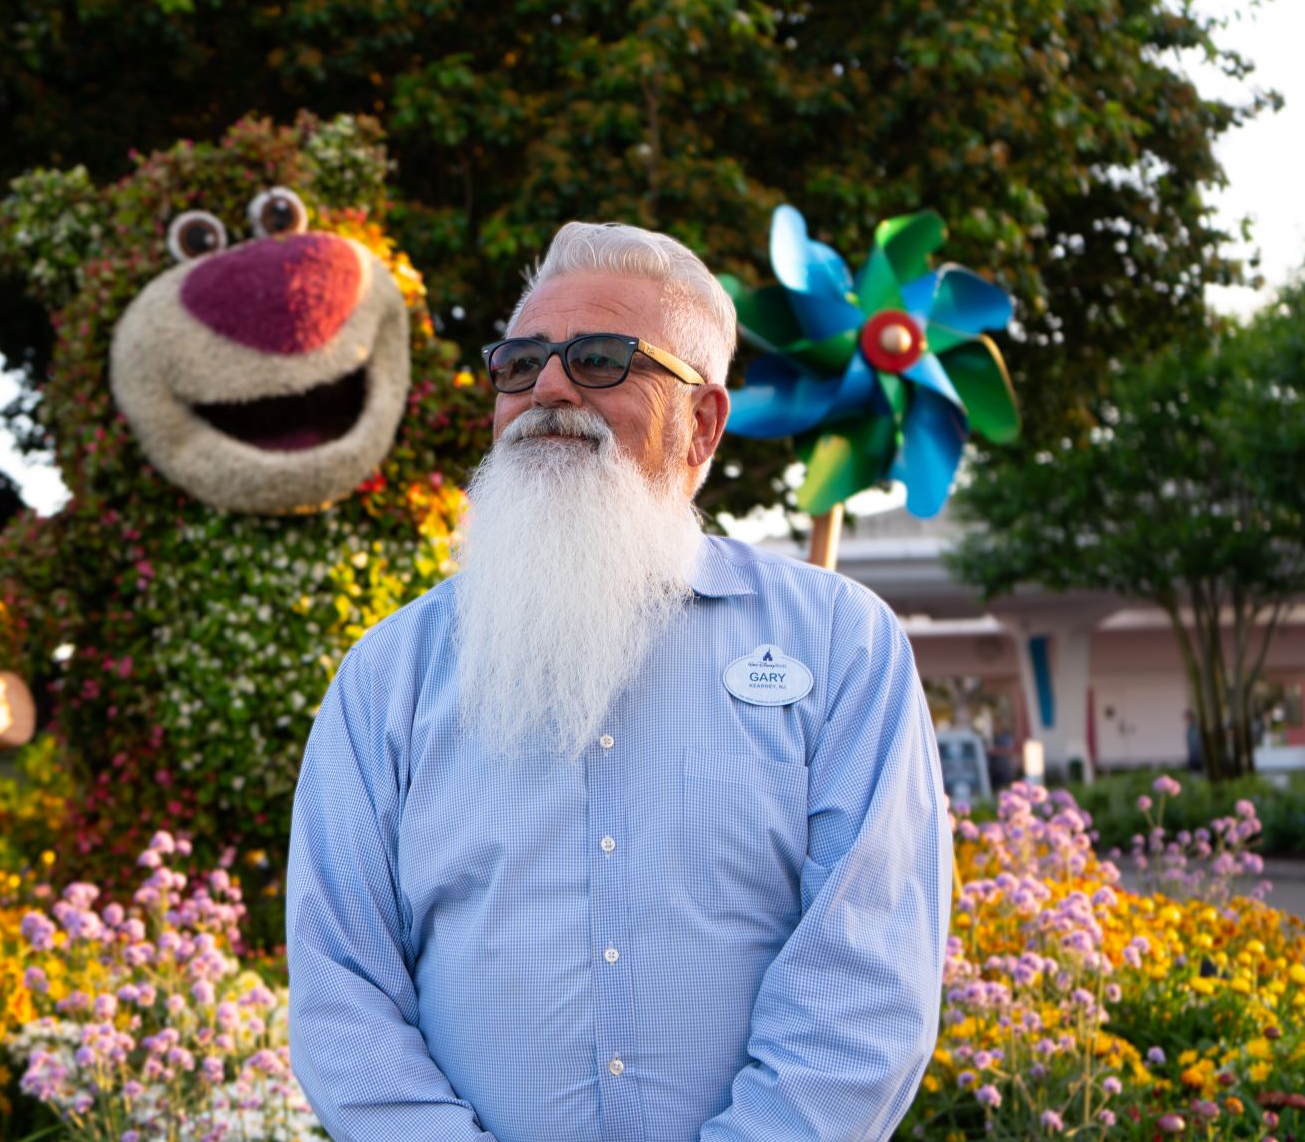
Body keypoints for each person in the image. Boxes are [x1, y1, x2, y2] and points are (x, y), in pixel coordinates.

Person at [286, 221, 953, 1141]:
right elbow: (342, 994)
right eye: (520, 364)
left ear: (705, 423)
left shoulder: (841, 645)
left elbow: (865, 982)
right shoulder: (387, 677)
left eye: (603, 360)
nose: (550, 387)